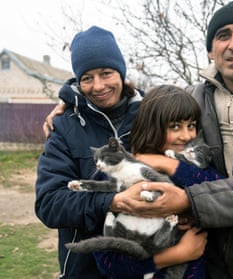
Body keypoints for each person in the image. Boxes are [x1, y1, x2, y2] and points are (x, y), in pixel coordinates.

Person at [43, 2, 233, 278]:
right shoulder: (194, 97)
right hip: (191, 262)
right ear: (211, 51)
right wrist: (68, 106)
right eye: (223, 35)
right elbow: (49, 203)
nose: (99, 85)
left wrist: (185, 196)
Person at [35, 26, 206, 278]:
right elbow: (49, 203)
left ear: (121, 72)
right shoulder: (65, 128)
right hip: (87, 271)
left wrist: (188, 209)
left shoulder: (152, 114)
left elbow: (191, 166)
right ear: (77, 81)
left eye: (106, 73)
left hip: (155, 263)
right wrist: (111, 201)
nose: (98, 86)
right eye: (87, 78)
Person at [93, 84, 224, 279]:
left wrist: (169, 165)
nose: (187, 136)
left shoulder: (194, 168)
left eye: (192, 125)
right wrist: (179, 254)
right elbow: (108, 262)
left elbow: (223, 191)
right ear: (151, 127)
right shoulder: (120, 174)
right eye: (175, 126)